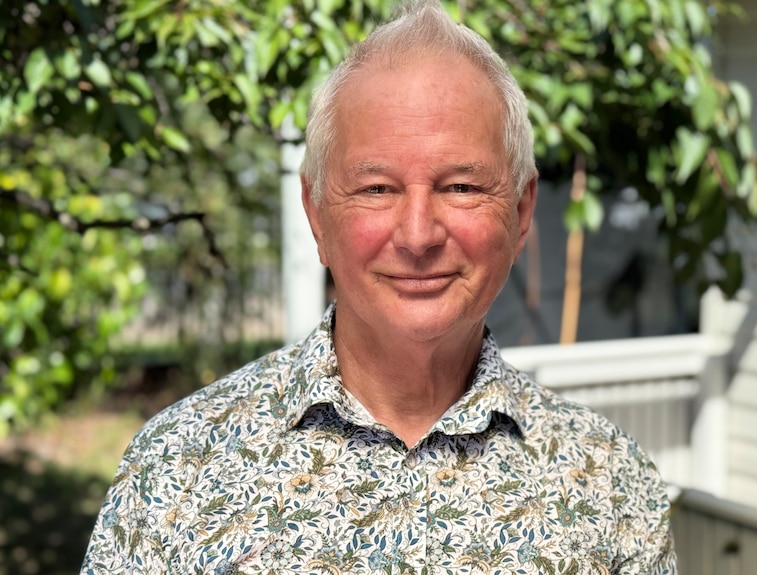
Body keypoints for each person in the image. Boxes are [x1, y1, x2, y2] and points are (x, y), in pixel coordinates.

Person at [80, 1, 677, 573]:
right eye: (376, 189)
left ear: (521, 214)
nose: (418, 235)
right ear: (316, 214)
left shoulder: (610, 482)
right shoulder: (176, 469)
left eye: (461, 187)